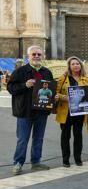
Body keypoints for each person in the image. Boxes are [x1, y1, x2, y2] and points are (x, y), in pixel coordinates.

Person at [8, 45, 56, 175]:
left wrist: (53, 96)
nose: (36, 56)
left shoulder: (47, 72)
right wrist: (25, 85)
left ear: (42, 56)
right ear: (28, 56)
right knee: (22, 139)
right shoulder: (20, 71)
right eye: (34, 54)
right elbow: (11, 88)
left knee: (38, 138)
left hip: (41, 111)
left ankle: (36, 162)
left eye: (39, 54)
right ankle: (18, 163)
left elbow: (51, 90)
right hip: (25, 111)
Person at [55, 56, 88, 168]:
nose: (76, 65)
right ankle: (65, 159)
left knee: (78, 135)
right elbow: (56, 94)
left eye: (78, 63)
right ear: (69, 66)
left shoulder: (85, 79)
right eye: (73, 64)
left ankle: (78, 158)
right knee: (65, 136)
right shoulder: (63, 78)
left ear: (81, 65)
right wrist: (65, 97)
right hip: (66, 111)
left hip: (79, 111)